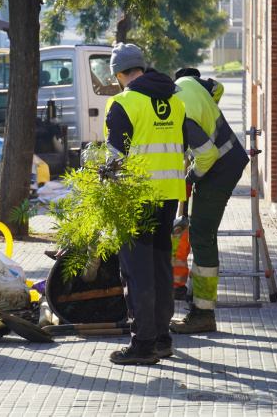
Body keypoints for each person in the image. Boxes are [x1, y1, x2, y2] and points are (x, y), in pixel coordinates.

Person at [104, 43, 187, 365]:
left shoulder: (123, 103)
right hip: (168, 195)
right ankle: (163, 338)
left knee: (137, 273)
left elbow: (114, 159)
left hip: (134, 198)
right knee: (160, 267)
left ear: (119, 74)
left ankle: (143, 346)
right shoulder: (175, 101)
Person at [169, 70, 248, 334]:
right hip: (226, 159)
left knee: (201, 235)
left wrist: (190, 177)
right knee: (199, 231)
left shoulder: (178, 114)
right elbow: (216, 88)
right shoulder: (186, 82)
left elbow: (208, 154)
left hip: (220, 166)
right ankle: (200, 307)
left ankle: (203, 313)